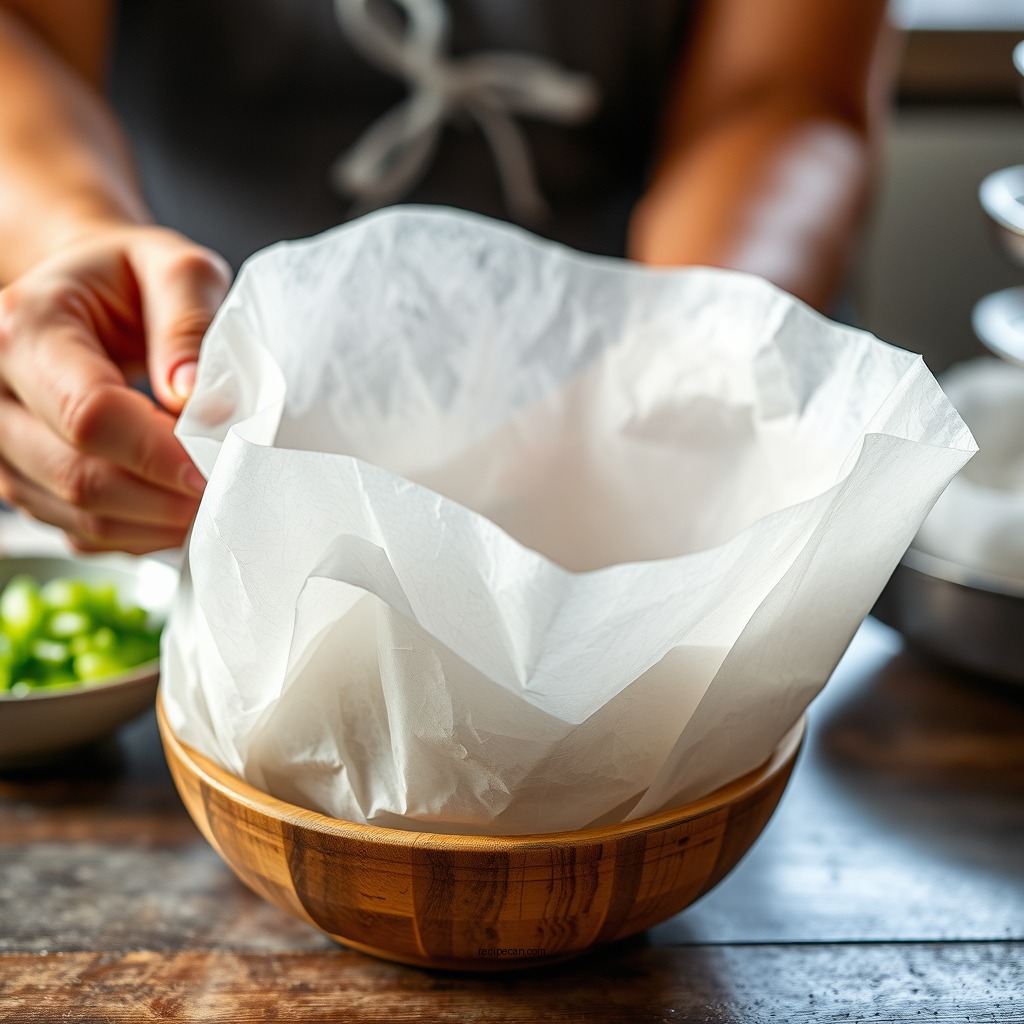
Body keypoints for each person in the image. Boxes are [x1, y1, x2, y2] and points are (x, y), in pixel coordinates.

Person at [0, 0, 893, 555]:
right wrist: (69, 239)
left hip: (606, 406)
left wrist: (688, 364)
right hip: (184, 410)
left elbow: (778, 92)